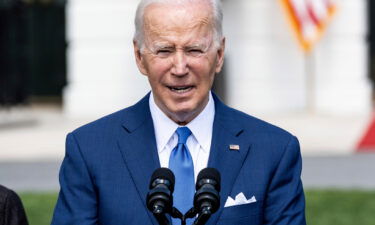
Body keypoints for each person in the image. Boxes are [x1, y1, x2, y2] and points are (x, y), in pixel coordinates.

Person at [51, 0, 306, 224]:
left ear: (218, 55)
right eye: (164, 50)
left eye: (194, 49)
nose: (180, 67)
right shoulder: (89, 149)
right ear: (139, 57)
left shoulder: (274, 150)